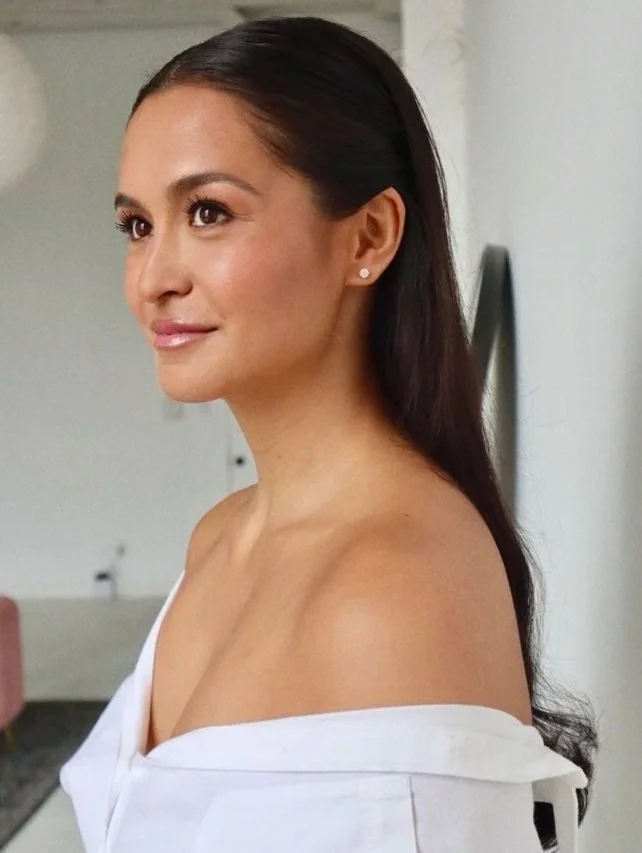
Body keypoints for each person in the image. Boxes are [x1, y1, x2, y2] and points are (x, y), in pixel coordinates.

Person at [60, 15, 597, 852]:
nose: (155, 279)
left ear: (370, 236)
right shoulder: (220, 537)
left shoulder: (392, 586)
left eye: (207, 212)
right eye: (138, 226)